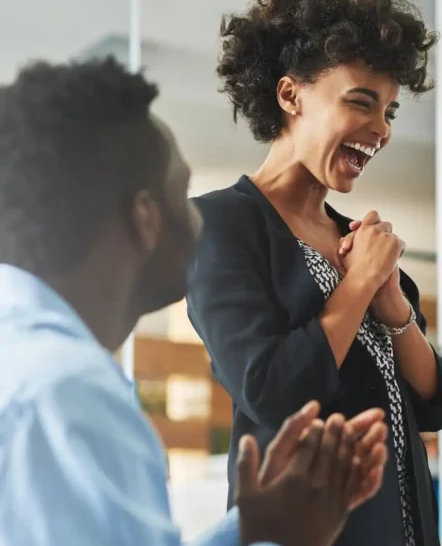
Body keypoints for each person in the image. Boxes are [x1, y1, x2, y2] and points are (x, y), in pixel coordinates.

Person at [0, 57, 389, 546]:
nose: (199, 220)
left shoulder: (27, 367)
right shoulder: (67, 398)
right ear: (144, 219)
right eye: (181, 194)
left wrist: (255, 529)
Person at [186, 0, 442, 546]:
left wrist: (393, 309)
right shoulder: (219, 226)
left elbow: (435, 403)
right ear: (290, 95)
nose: (380, 129)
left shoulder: (357, 238)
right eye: (361, 102)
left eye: (388, 111)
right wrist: (357, 286)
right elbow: (271, 390)